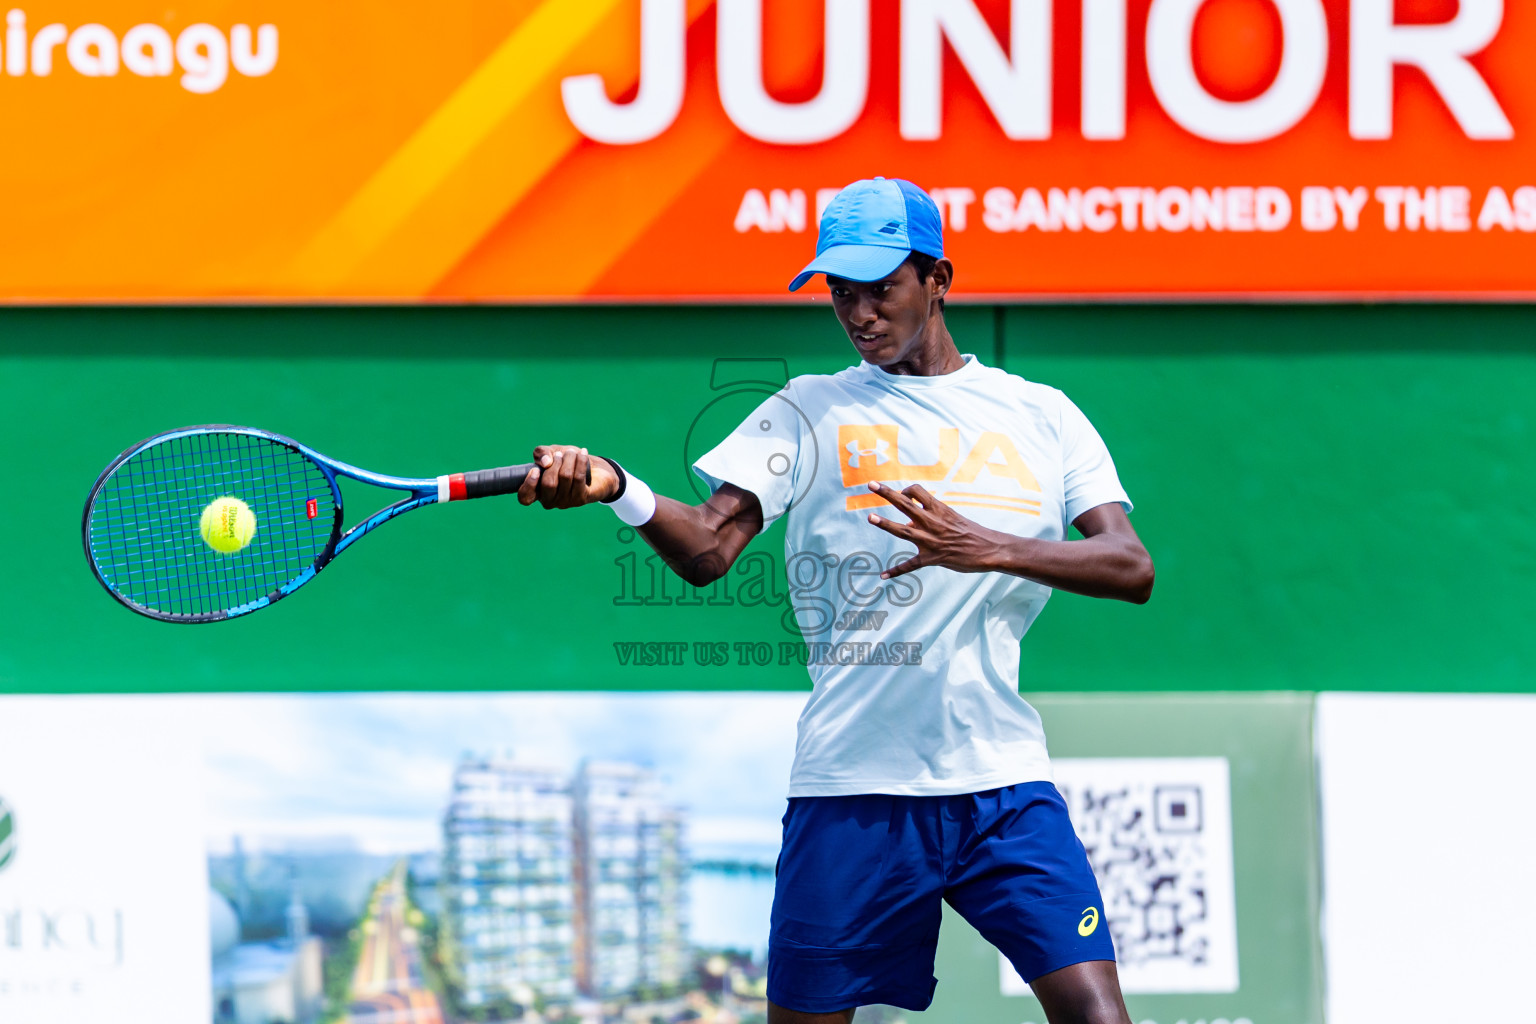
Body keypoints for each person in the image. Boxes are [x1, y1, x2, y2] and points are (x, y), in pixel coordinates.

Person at [518, 177, 1153, 1024]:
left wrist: (987, 547)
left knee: (1098, 1016)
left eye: (881, 288)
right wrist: (617, 488)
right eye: (839, 293)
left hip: (1003, 788)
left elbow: (1129, 565)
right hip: (851, 792)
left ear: (938, 279)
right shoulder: (809, 409)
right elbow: (709, 549)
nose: (859, 313)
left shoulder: (1042, 414)